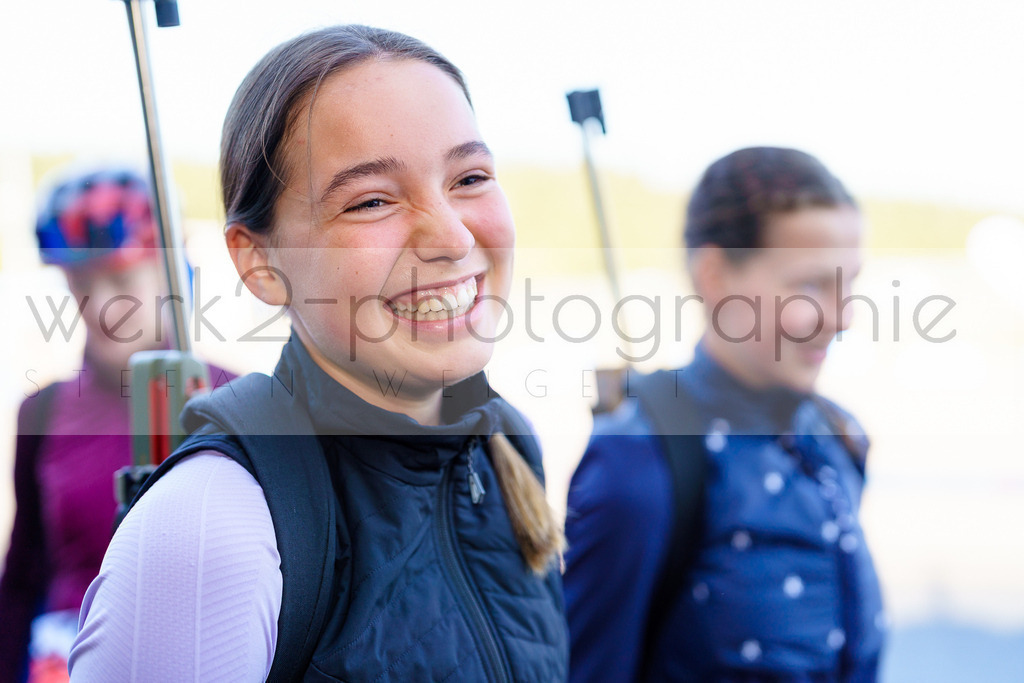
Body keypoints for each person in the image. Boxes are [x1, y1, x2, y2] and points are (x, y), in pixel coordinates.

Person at [68, 25, 569, 681]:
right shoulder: (208, 529)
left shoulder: (507, 448)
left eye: (470, 177)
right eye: (371, 200)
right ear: (260, 262)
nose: (451, 236)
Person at [563, 147, 886, 682]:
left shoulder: (836, 435)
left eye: (849, 281)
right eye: (810, 285)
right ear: (714, 275)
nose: (843, 316)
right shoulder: (639, 465)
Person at [0, 166, 232, 683]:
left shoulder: (237, 402)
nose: (102, 305)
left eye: (123, 280)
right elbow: (22, 580)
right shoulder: (42, 411)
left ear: (172, 274)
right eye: (82, 283)